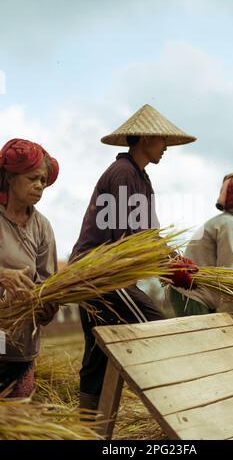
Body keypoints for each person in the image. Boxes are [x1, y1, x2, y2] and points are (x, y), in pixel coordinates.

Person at [69, 104, 196, 412]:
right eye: (162, 139)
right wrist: (165, 266)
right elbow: (131, 240)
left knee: (99, 355)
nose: (165, 146)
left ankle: (92, 432)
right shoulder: (123, 173)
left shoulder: (142, 179)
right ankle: (176, 411)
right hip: (101, 276)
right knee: (155, 330)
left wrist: (173, 260)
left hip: (109, 275)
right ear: (143, 138)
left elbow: (149, 234)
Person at [0, 138, 59, 397]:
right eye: (32, 178)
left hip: (21, 345)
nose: (39, 186)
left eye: (43, 181)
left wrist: (48, 303)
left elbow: (46, 280)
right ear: (10, 178)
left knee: (17, 421)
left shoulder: (42, 226)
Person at [168, 170, 233, 315]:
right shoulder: (229, 225)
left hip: (197, 297)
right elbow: (227, 273)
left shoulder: (229, 223)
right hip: (192, 297)